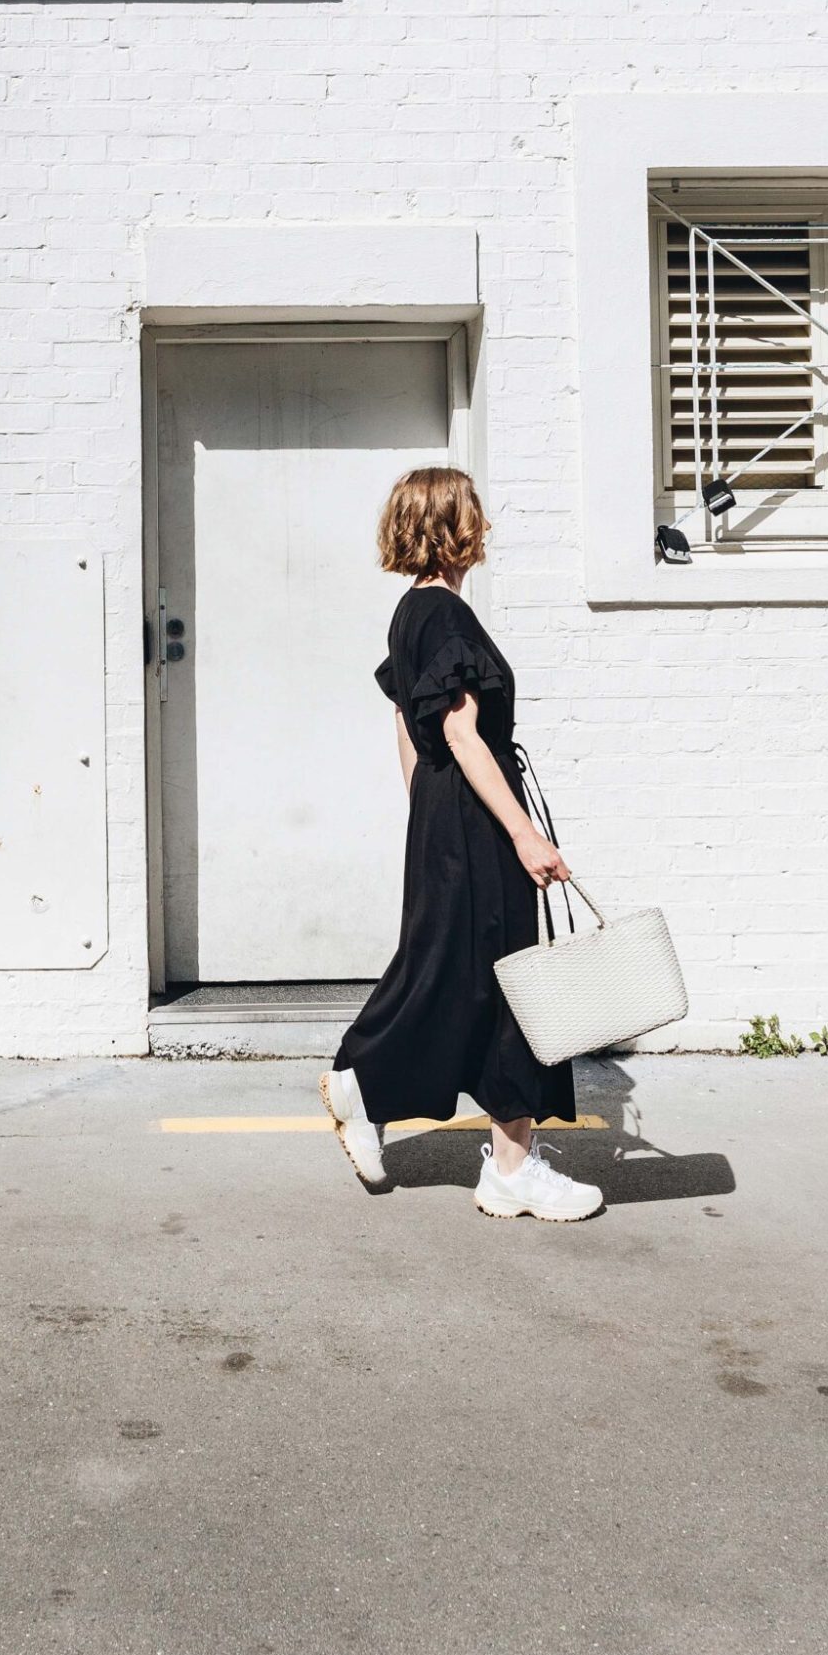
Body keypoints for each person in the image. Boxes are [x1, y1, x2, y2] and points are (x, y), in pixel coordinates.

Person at [321, 467, 602, 1221]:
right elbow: (457, 731)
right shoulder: (445, 617)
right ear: (455, 527)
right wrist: (522, 832)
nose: (485, 529)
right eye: (474, 516)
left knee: (467, 976)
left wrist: (425, 812)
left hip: (443, 817)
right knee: (503, 980)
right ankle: (372, 1087)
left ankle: (507, 1162)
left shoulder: (409, 615)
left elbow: (407, 727)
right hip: (475, 821)